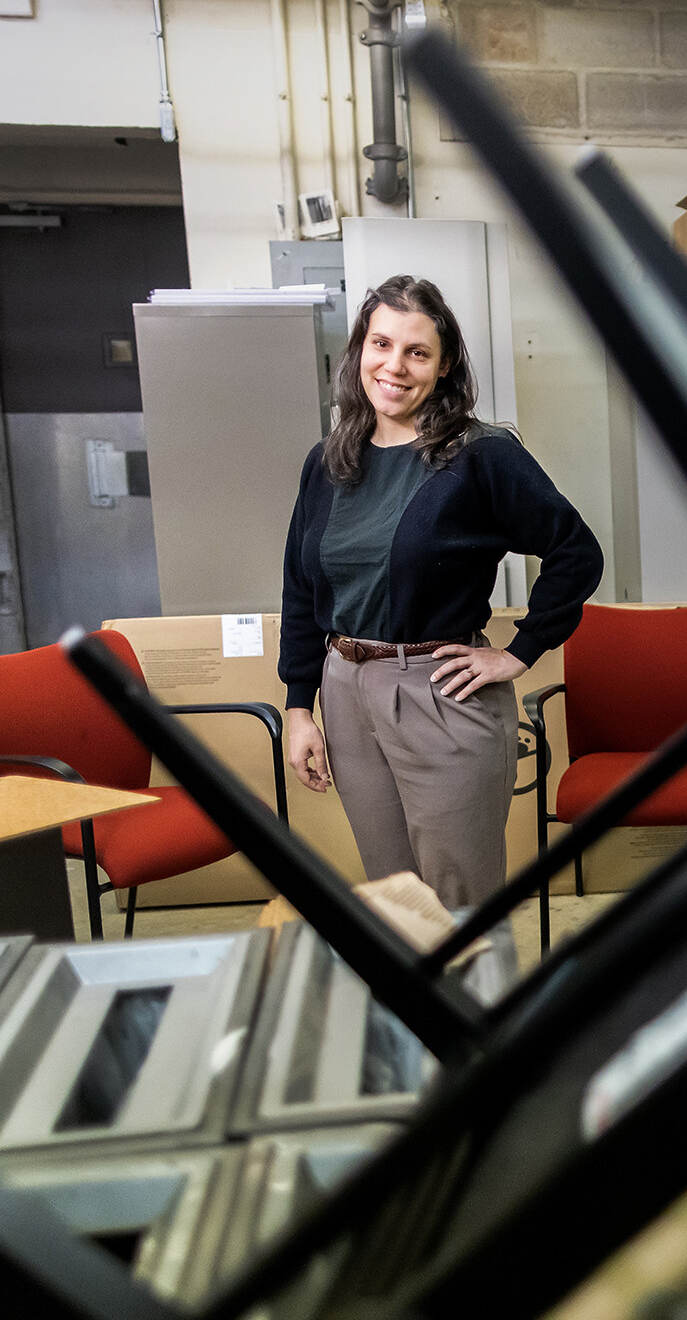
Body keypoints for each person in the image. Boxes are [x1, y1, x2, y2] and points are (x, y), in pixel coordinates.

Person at [279, 275, 601, 910]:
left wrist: (519, 652)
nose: (394, 366)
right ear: (360, 350)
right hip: (345, 691)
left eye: (417, 352)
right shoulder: (329, 461)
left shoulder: (480, 456)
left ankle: (476, 983)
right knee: (395, 900)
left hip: (438, 691)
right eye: (381, 344)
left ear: (444, 364)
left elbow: (575, 551)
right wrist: (298, 707)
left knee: (460, 903)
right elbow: (298, 585)